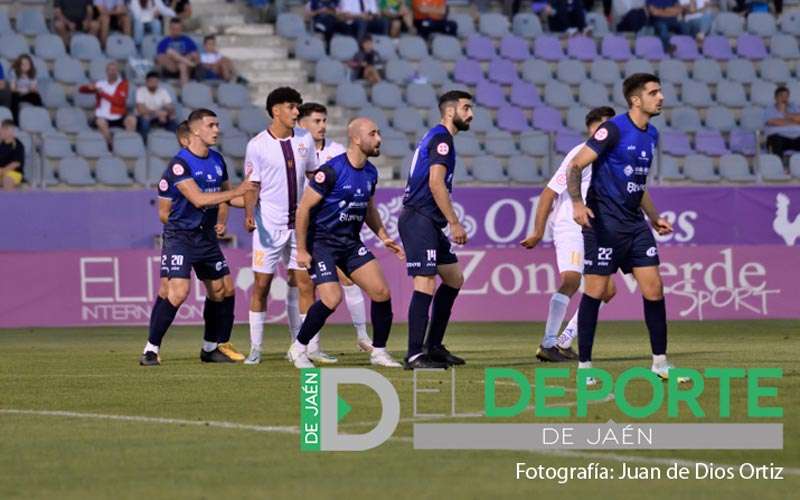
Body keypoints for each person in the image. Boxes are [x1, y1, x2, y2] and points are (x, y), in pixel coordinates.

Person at [565, 73, 688, 383]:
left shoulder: (652, 134)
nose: (660, 97)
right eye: (653, 92)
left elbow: (637, 184)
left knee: (654, 289)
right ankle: (585, 369)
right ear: (636, 100)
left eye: (660, 91)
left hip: (634, 225)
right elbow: (575, 165)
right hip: (603, 225)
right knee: (594, 292)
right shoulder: (613, 130)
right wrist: (578, 205)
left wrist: (654, 216)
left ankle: (660, 364)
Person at [140, 108, 256, 366]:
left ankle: (212, 348)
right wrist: (239, 190)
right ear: (194, 131)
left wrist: (254, 202)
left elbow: (231, 197)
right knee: (178, 291)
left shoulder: (217, 160)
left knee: (222, 289)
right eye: (211, 125)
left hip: (206, 237)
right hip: (180, 235)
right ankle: (151, 349)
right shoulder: (180, 165)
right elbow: (199, 199)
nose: (217, 129)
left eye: (217, 125)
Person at [288, 117, 405, 369]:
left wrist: (384, 236)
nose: (379, 139)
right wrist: (301, 249)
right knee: (331, 299)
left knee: (381, 293)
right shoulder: (330, 171)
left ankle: (379, 352)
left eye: (379, 133)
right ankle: (298, 348)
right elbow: (303, 210)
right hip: (321, 242)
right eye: (373, 134)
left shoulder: (371, 172)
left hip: (350, 242)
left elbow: (369, 208)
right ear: (356, 138)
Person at [242, 87, 319, 366]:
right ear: (276, 110)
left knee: (305, 283)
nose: (297, 112)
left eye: (297, 107)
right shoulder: (257, 145)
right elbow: (253, 185)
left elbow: (314, 174)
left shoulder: (304, 139)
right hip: (268, 227)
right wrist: (249, 213)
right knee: (261, 286)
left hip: (298, 227)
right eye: (291, 107)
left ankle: (305, 346)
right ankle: (256, 348)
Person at [398, 90, 473, 369]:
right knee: (425, 283)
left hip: (427, 220)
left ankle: (434, 346)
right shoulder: (441, 139)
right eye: (466, 108)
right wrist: (453, 221)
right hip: (419, 218)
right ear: (450, 111)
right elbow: (435, 183)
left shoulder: (439, 137)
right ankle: (415, 354)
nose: (471, 114)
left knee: (454, 279)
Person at [298, 102, 374, 354]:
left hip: (334, 228)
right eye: (316, 121)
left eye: (324, 121)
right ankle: (308, 346)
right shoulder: (294, 148)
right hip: (303, 224)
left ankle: (362, 335)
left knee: (347, 279)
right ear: (302, 124)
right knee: (306, 286)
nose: (322, 126)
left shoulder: (337, 150)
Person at [79, 61, 137, 146]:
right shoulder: (101, 83)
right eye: (110, 70)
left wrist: (102, 93)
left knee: (132, 120)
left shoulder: (123, 84)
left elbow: (119, 101)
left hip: (118, 116)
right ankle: (111, 144)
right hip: (103, 116)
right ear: (106, 72)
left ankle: (127, 144)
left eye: (114, 70)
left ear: (117, 72)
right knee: (100, 122)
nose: (112, 72)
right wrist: (89, 87)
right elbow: (81, 90)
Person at [156, 18, 200, 86]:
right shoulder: (163, 42)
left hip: (187, 68)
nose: (176, 32)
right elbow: (160, 58)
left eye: (178, 29)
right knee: (169, 52)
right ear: (170, 29)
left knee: (183, 64)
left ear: (181, 29)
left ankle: (185, 92)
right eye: (174, 29)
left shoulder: (188, 40)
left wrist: (189, 58)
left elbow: (196, 56)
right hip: (172, 67)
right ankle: (187, 63)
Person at [136, 71, 177, 138]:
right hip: (146, 116)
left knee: (173, 123)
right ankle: (145, 143)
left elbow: (171, 108)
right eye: (151, 82)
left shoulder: (163, 91)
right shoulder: (141, 91)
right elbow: (141, 110)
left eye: (155, 82)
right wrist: (156, 113)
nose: (153, 84)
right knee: (144, 122)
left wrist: (166, 112)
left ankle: (178, 144)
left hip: (160, 116)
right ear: (146, 82)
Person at [764, 86, 800, 161]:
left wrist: (787, 114)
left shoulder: (793, 106)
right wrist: (793, 121)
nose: (784, 98)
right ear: (775, 98)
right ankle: (779, 167)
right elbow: (773, 122)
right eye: (781, 96)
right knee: (776, 140)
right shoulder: (769, 109)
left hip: (796, 137)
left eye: (786, 96)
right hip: (779, 137)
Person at [9, 55, 43, 124]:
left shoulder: (33, 73)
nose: (25, 66)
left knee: (36, 96)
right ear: (19, 65)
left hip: (26, 94)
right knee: (14, 96)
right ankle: (15, 122)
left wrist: (29, 90)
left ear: (30, 65)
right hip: (17, 94)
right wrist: (25, 90)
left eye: (27, 64)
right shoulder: (13, 72)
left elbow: (33, 89)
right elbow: (12, 89)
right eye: (23, 64)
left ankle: (41, 117)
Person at [0, 120, 24, 191]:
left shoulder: (18, 145)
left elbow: (16, 163)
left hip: (13, 173)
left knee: (7, 180)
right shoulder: (1, 144)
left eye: (3, 129)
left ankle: (10, 200)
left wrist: (2, 171)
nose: (1, 132)